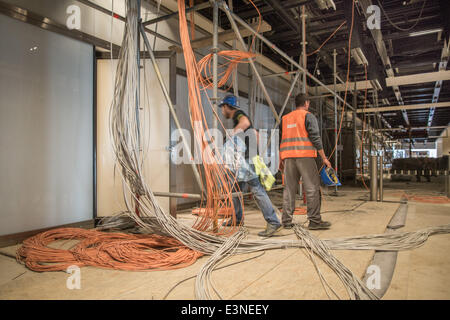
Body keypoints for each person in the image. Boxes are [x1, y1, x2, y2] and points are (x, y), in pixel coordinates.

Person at [220, 94, 282, 237]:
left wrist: (230, 137)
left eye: (223, 108)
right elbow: (255, 134)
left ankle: (273, 221)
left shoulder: (238, 114)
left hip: (247, 161)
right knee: (235, 188)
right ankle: (237, 218)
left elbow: (245, 122)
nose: (222, 112)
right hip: (245, 160)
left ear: (226, 106)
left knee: (256, 189)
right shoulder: (237, 118)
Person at [279, 93, 332, 230]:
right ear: (307, 103)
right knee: (312, 188)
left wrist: (281, 158)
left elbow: (282, 140)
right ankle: (314, 221)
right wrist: (324, 158)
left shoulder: (285, 118)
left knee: (289, 189)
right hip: (305, 157)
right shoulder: (308, 116)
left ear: (296, 104)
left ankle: (286, 221)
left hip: (288, 158)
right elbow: (315, 138)